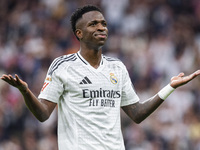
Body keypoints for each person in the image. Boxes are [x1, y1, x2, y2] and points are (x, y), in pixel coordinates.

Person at [1, 5, 200, 150]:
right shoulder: (63, 66)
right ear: (79, 33)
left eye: (103, 23)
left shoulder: (117, 67)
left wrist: (169, 87)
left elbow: (137, 113)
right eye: (93, 24)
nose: (101, 27)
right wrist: (25, 91)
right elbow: (43, 114)